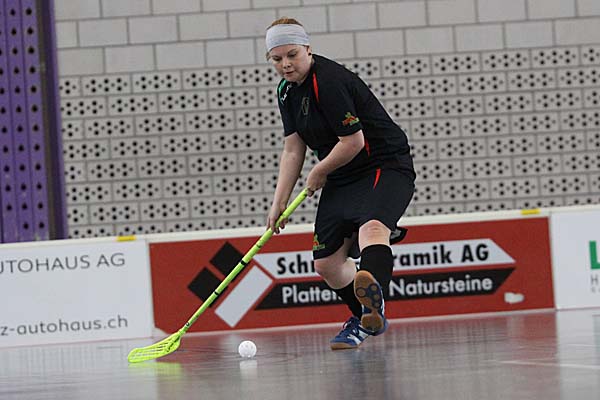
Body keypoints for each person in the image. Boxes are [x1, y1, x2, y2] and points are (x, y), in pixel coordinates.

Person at [265, 17, 415, 350]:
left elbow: (353, 141)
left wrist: (319, 171)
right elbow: (293, 149)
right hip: (343, 172)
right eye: (277, 59)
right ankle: (365, 318)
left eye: (292, 55)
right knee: (327, 263)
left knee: (372, 229)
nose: (285, 64)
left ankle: (373, 300)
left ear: (308, 49)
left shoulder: (328, 82)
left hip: (383, 164)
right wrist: (279, 201)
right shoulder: (286, 92)